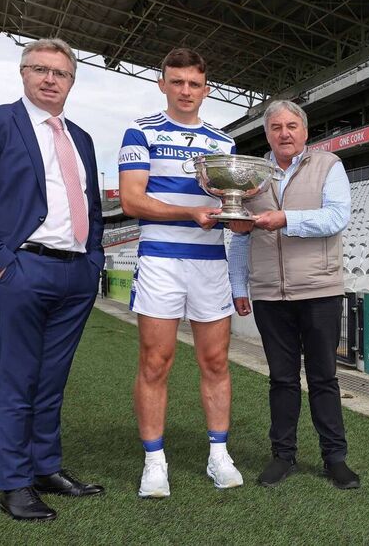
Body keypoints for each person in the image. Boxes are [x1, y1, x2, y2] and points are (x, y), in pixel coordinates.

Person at [0, 38, 105, 521]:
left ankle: (45, 467)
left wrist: (93, 259)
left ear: (72, 81)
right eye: (40, 69)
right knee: (20, 380)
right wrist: (2, 266)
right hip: (23, 268)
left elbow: (92, 207)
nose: (50, 79)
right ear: (23, 73)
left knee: (52, 380)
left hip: (76, 272)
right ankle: (15, 483)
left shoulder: (82, 138)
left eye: (61, 72)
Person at [118, 48, 242, 498]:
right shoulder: (140, 131)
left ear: (206, 90)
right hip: (161, 260)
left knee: (215, 361)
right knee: (156, 362)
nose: (185, 90)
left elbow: (229, 205)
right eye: (177, 82)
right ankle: (155, 462)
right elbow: (131, 199)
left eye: (194, 83)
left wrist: (240, 217)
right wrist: (189, 213)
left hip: (210, 263)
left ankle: (218, 454)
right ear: (162, 85)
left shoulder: (223, 143)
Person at [227, 100, 360, 489]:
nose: (284, 133)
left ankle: (335, 458)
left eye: (291, 126)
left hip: (319, 290)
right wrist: (239, 285)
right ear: (267, 134)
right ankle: (282, 456)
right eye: (276, 127)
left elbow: (336, 217)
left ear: (304, 130)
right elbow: (240, 235)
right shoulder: (253, 175)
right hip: (270, 294)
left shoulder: (328, 165)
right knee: (281, 379)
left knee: (323, 378)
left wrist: (286, 219)